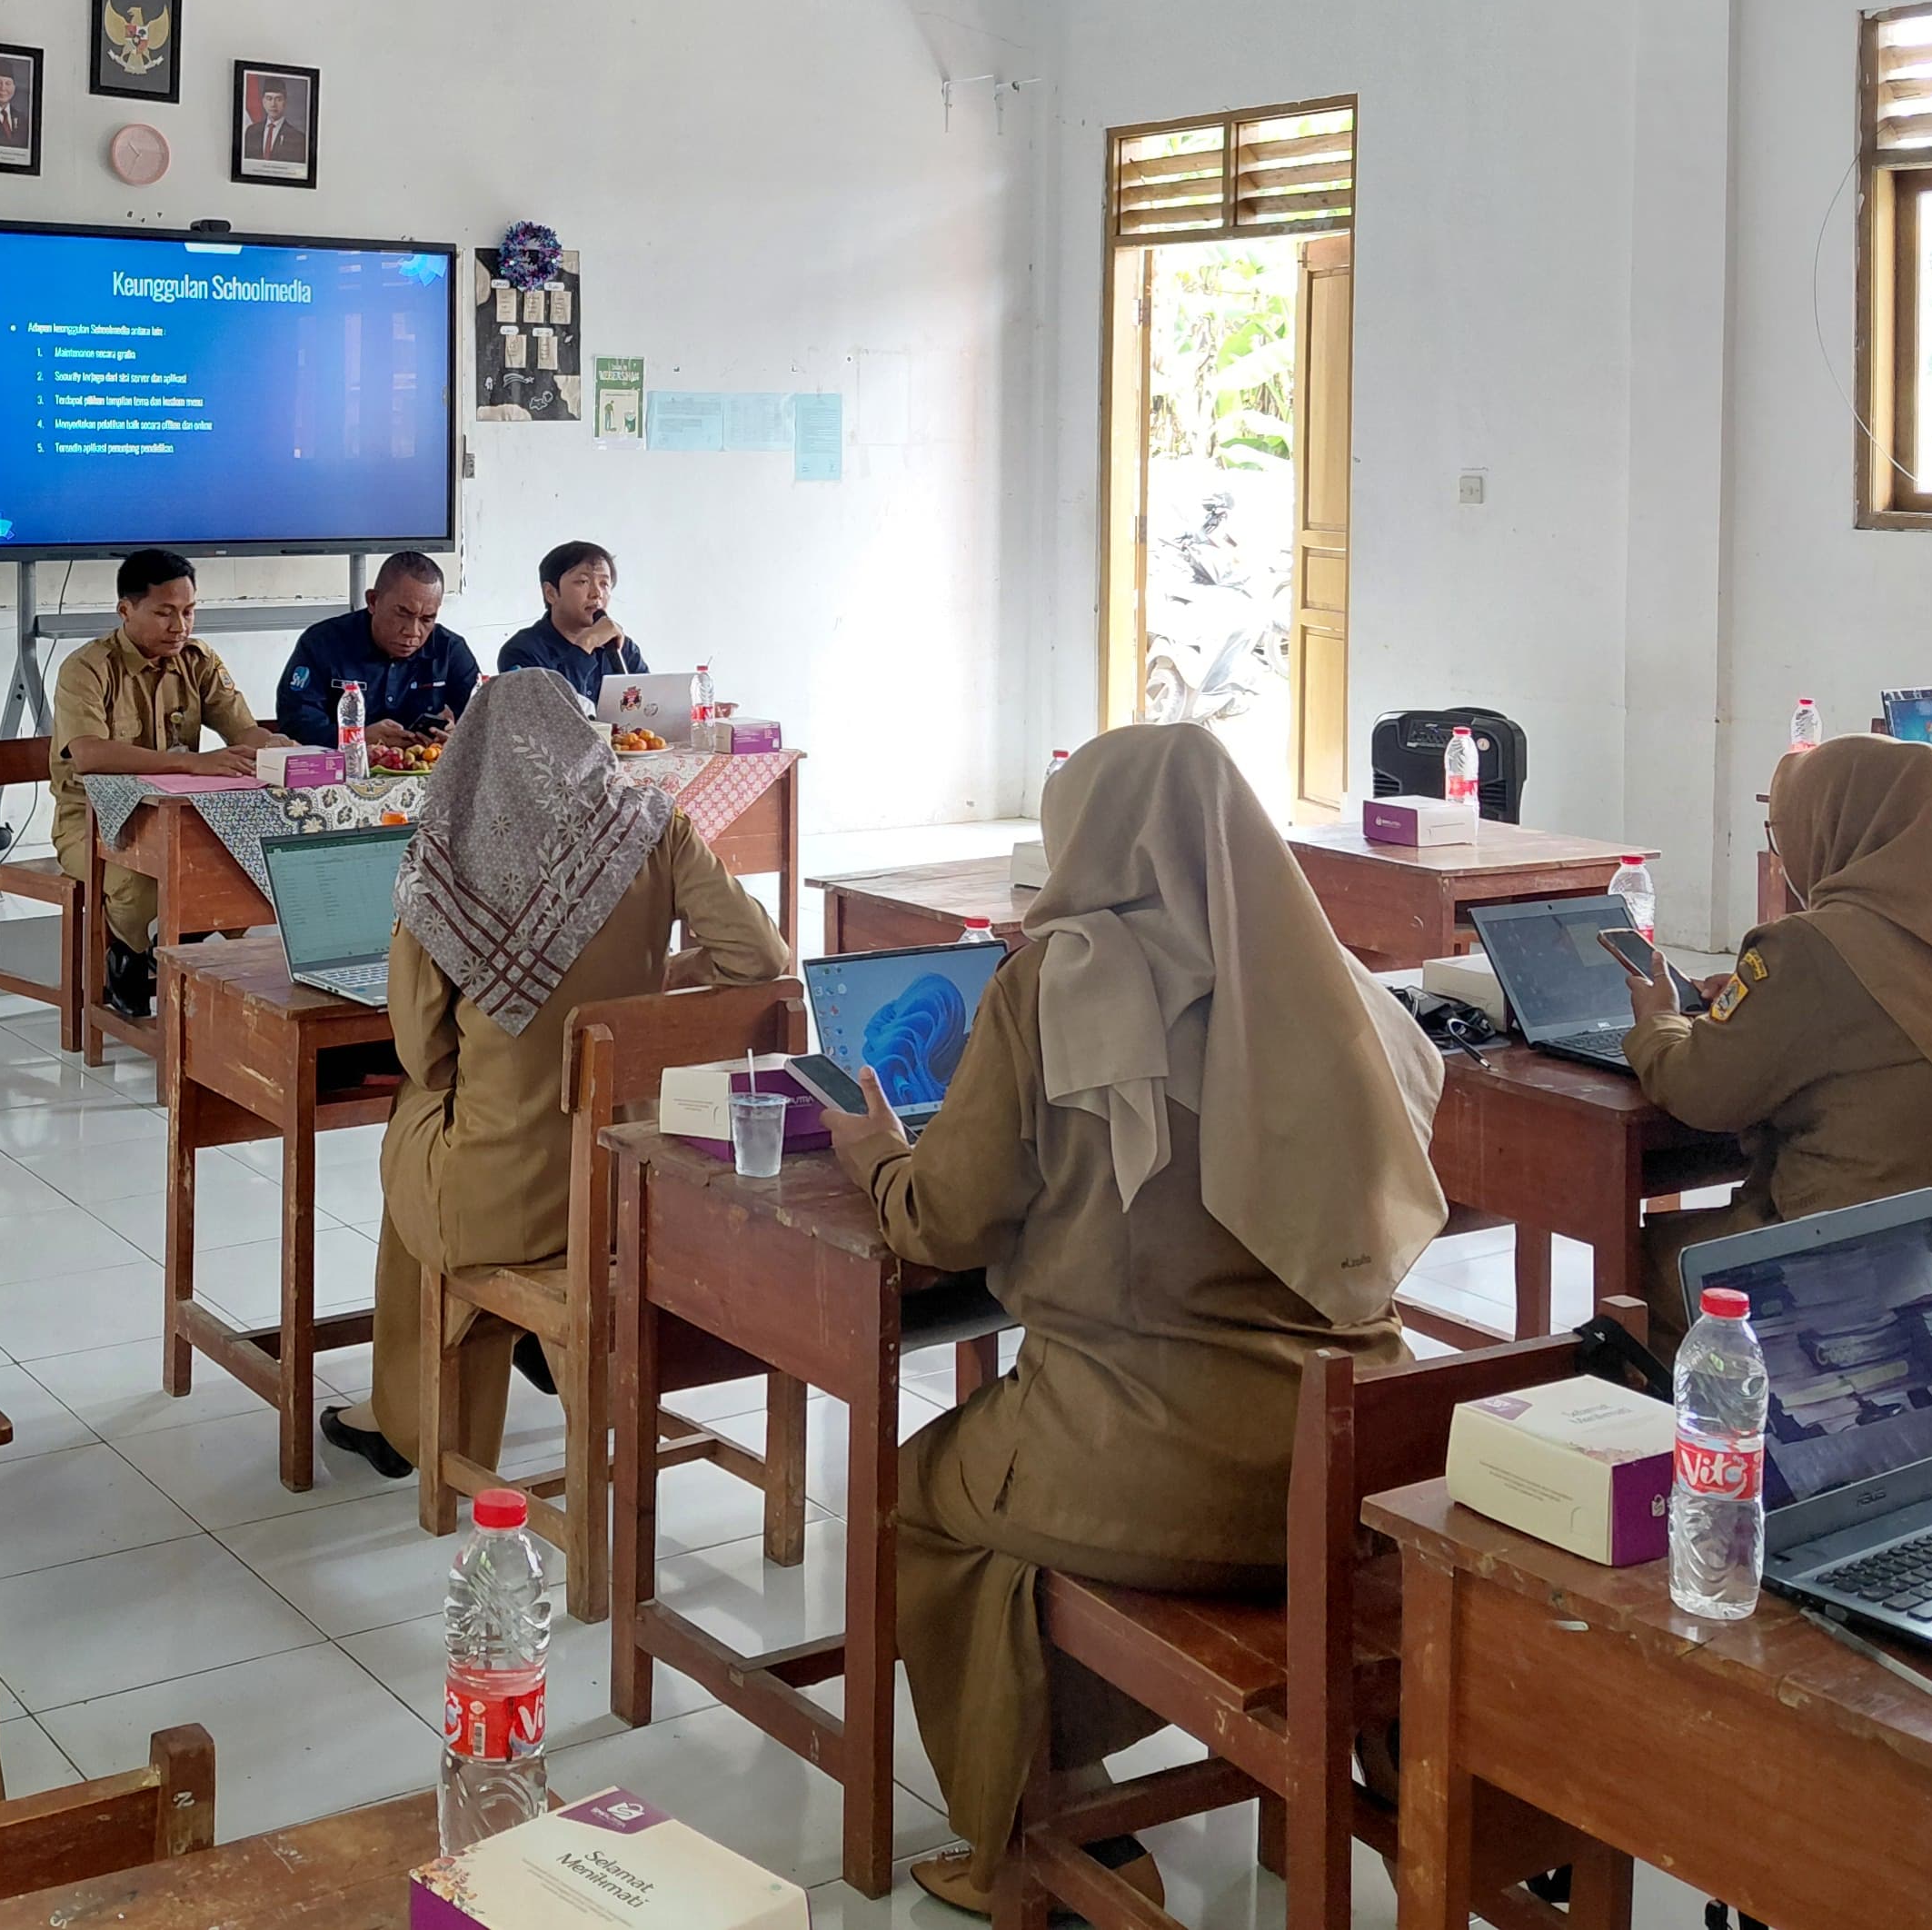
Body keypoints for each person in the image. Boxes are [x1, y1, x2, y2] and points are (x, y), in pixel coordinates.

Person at [822, 723, 1447, 1915]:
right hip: (1361, 1467)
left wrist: (878, 1162)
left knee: (924, 1504)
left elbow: (946, 1224)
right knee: (1018, 1480)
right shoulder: (1331, 987)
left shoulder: (1052, 986)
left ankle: (1055, 1846)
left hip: (1160, 1462)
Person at [321, 670, 790, 1479]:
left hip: (504, 1197)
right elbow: (763, 959)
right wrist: (655, 986)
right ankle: (531, 1345)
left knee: (416, 1138)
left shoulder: (443, 862)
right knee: (434, 1146)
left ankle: (417, 1426)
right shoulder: (656, 828)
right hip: (634, 1182)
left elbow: (425, 1055)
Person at [1618, 734, 1932, 1408]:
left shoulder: (1811, 949)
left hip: (1916, 1325)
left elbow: (1700, 1087)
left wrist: (1658, 1022)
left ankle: (1710, 1482)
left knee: (1632, 1274)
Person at [51, 547, 266, 1017]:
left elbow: (243, 731)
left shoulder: (197, 659)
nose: (180, 627)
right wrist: (193, 764)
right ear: (126, 610)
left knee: (243, 870)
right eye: (164, 613)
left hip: (178, 819)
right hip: (93, 825)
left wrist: (284, 749)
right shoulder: (86, 668)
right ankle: (128, 954)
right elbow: (88, 753)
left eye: (188, 612)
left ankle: (174, 953)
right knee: (143, 879)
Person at [272, 551, 478, 763]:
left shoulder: (449, 651)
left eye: (427, 619)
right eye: (403, 613)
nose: (413, 631)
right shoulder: (322, 643)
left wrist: (457, 739)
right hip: (340, 776)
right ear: (373, 601)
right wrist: (356, 739)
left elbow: (484, 724)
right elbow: (296, 725)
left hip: (425, 776)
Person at [494, 539, 648, 706]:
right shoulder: (522, 650)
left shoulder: (623, 648)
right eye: (583, 582)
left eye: (604, 584)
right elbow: (546, 714)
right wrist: (587, 643)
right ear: (551, 593)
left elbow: (648, 708)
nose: (597, 593)